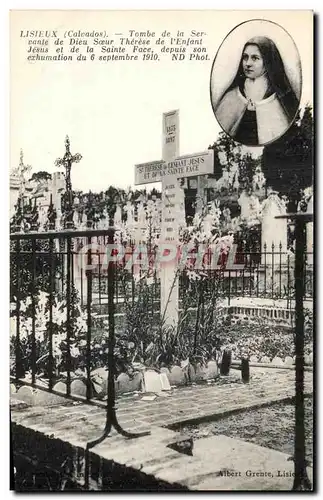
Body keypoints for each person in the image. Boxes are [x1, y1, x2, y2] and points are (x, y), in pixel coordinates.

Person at [213, 36, 299, 146]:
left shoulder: (281, 100)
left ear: (268, 62)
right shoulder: (231, 96)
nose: (248, 63)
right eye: (245, 57)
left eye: (255, 58)